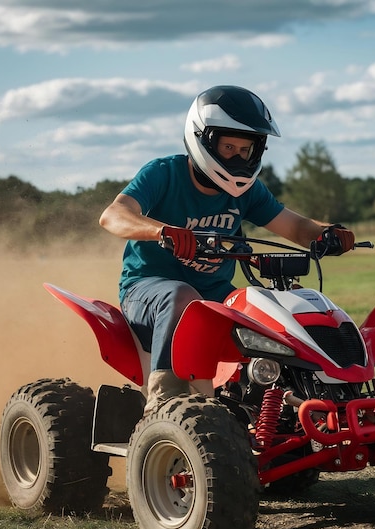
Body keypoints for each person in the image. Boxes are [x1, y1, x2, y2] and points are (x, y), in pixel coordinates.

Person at [99, 85, 355, 411]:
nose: (236, 156)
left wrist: (328, 233)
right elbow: (113, 216)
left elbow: (296, 227)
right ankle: (164, 400)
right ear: (203, 139)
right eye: (228, 146)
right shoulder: (164, 173)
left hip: (217, 297)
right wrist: (161, 230)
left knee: (275, 315)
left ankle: (284, 405)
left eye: (244, 149)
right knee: (182, 297)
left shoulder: (247, 192)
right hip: (147, 293)